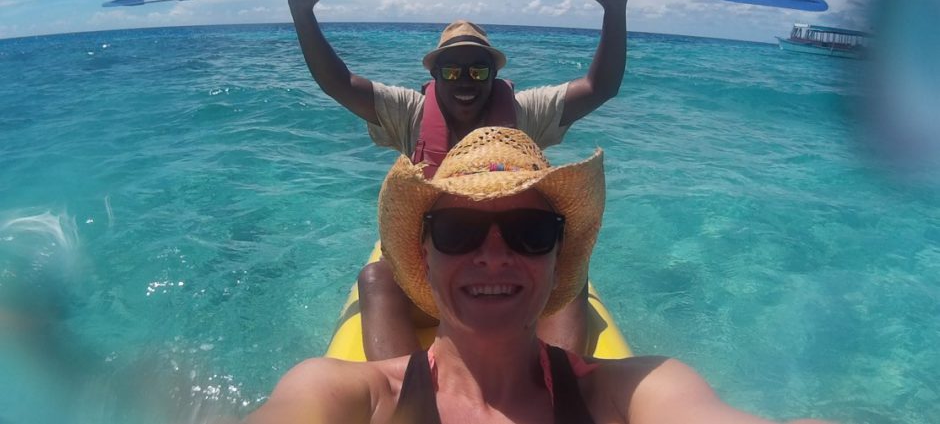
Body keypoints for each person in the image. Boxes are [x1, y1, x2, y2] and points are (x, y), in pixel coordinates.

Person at [245, 127, 831, 424]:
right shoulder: (345, 394)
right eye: (457, 231)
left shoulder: (630, 393)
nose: (495, 255)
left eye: (529, 232)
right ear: (422, 254)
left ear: (558, 257)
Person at [289, 0, 628, 360]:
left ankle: (558, 385)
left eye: (477, 70)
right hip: (433, 266)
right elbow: (339, 84)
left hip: (508, 257)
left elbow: (600, 87)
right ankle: (407, 395)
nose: (464, 81)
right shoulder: (410, 114)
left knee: (574, 272)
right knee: (376, 277)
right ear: (435, 75)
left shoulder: (524, 113)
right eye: (451, 71)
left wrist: (613, 10)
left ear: (493, 75)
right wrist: (304, 13)